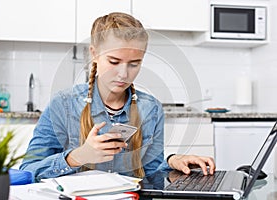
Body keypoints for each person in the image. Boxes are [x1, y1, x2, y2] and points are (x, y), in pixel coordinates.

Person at [20, 12, 215, 182]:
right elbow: (28, 170)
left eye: (134, 63)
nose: (124, 74)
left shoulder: (152, 108)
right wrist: (77, 157)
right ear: (94, 54)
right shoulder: (63, 105)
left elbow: (151, 171)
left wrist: (173, 161)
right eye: (114, 61)